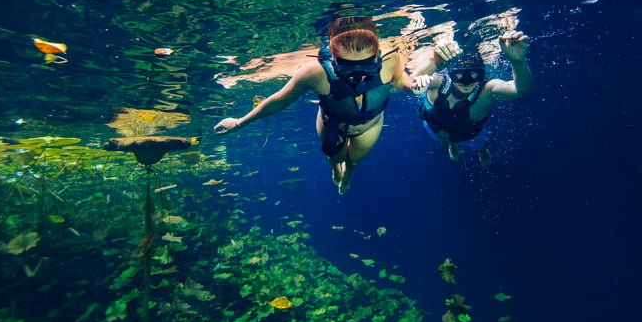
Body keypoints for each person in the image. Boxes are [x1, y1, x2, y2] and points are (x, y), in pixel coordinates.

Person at [214, 17, 417, 193]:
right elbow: (279, 100)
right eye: (348, 68)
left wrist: (413, 85)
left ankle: (347, 176)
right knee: (335, 159)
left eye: (366, 66)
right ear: (333, 58)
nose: (357, 75)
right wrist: (240, 122)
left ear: (376, 55)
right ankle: (336, 170)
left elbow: (399, 80)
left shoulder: (391, 59)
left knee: (353, 162)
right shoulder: (314, 72)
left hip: (370, 125)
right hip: (332, 125)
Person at [411, 30, 534, 169]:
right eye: (459, 74)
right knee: (444, 142)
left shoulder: (488, 91)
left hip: (471, 137)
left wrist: (517, 61)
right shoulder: (439, 82)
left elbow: (523, 90)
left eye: (475, 74)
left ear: (483, 74)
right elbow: (411, 82)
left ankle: (482, 150)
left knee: (479, 144)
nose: (466, 81)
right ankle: (451, 144)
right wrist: (422, 78)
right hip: (435, 130)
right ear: (451, 73)